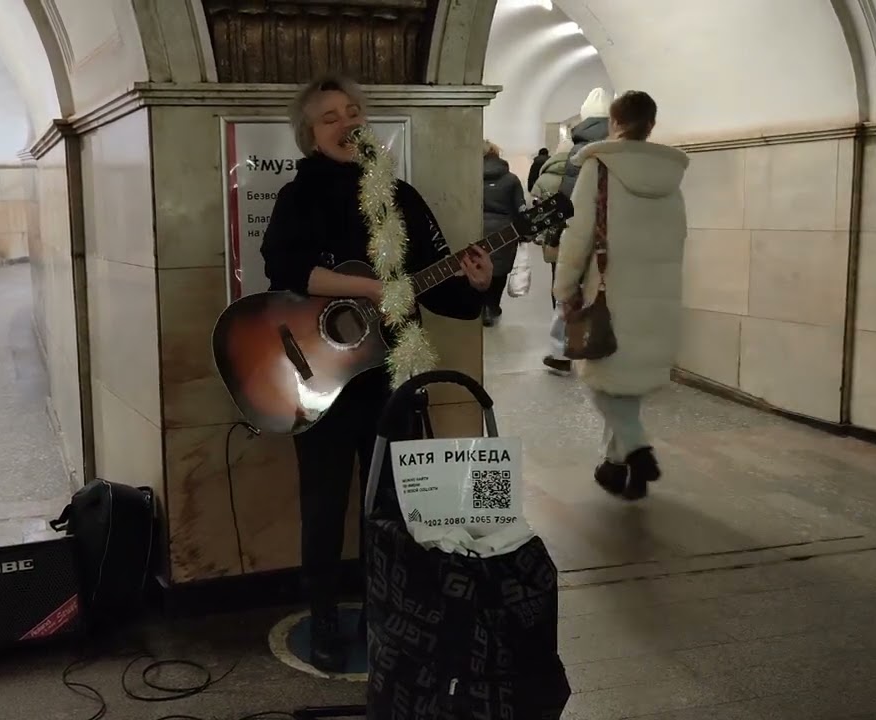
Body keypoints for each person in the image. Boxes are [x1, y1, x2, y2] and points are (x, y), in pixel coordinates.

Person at [259, 75, 494, 672]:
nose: (347, 123)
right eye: (330, 117)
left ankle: (382, 612)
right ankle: (323, 615)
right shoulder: (299, 195)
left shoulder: (402, 197)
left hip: (393, 377)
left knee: (389, 504)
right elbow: (285, 267)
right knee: (324, 502)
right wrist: (369, 287)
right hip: (321, 379)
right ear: (310, 135)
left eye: (354, 111)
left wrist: (476, 285)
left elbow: (434, 284)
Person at [552, 90, 688, 501]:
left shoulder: (601, 167)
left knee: (602, 381)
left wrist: (564, 288)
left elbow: (577, 235)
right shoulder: (670, 177)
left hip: (610, 294)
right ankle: (615, 468)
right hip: (659, 295)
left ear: (614, 122)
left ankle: (637, 449)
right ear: (651, 124)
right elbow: (679, 236)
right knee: (625, 385)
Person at [531, 88, 612, 374]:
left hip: (585, 231)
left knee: (571, 293)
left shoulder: (580, 151)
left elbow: (569, 199)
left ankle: (567, 353)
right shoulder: (621, 147)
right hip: (618, 234)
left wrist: (555, 234)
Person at [480, 140, 527, 326]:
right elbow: (520, 208)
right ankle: (492, 307)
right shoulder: (511, 179)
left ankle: (481, 306)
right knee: (500, 270)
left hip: (478, 228)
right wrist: (524, 234)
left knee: (479, 267)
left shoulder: (471, 176)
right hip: (505, 232)